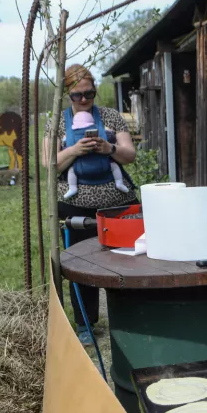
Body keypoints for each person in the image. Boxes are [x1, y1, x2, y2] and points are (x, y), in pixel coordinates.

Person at [43, 64, 137, 345]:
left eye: (90, 93)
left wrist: (108, 148)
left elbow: (129, 154)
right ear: (67, 95)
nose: (84, 100)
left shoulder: (110, 117)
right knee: (79, 265)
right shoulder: (57, 123)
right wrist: (75, 149)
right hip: (75, 207)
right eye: (77, 95)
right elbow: (48, 163)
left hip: (118, 204)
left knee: (127, 260)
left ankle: (131, 314)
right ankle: (86, 322)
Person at [64, 110, 130, 198]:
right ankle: (119, 182)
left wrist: (109, 148)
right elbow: (111, 136)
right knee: (114, 166)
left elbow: (65, 142)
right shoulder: (102, 131)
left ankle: (72, 188)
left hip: (82, 165)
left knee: (71, 171)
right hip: (101, 163)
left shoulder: (70, 134)